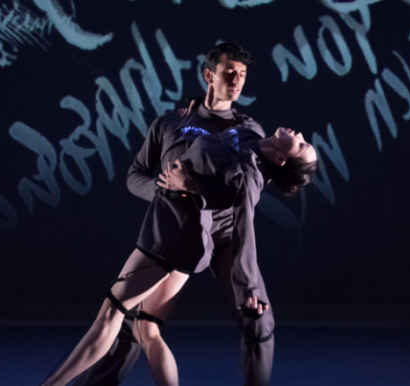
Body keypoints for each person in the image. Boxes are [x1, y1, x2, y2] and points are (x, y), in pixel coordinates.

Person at [42, 124, 317, 386]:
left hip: (173, 238)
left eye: (301, 145)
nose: (300, 134)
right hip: (177, 232)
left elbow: (243, 231)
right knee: (147, 330)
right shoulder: (250, 135)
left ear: (281, 158)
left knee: (111, 315)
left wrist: (248, 289)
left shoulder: (249, 174)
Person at [70, 43, 274, 386]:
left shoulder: (248, 130)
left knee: (258, 319)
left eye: (242, 74)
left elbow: (248, 191)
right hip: (183, 234)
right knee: (134, 321)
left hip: (226, 237)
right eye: (229, 73)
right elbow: (136, 175)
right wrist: (166, 193)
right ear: (209, 75)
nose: (237, 80)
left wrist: (195, 186)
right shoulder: (172, 122)